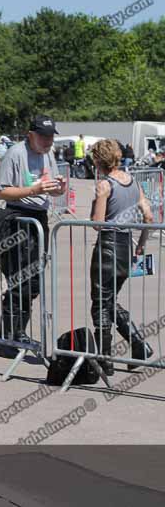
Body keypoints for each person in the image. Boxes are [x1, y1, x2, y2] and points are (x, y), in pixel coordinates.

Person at [0, 115, 66, 355]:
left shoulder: (48, 154)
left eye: (50, 136)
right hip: (18, 218)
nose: (48, 141)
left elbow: (52, 191)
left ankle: (18, 333)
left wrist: (60, 189)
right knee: (18, 280)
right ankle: (8, 338)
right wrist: (33, 189)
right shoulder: (16, 153)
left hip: (39, 219)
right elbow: (1, 192)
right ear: (31, 134)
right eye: (44, 136)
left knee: (33, 282)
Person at [90, 139, 154, 375]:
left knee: (99, 304)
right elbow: (148, 217)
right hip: (126, 246)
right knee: (109, 301)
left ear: (98, 161)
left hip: (107, 247)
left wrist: (96, 205)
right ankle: (138, 345)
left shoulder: (105, 185)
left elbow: (97, 224)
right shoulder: (134, 183)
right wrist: (141, 245)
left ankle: (105, 360)